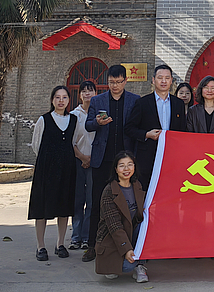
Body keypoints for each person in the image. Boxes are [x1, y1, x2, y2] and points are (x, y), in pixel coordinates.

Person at [83, 65, 141, 262]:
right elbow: (88, 125)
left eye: (118, 82)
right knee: (96, 203)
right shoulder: (97, 100)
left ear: (125, 81)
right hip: (102, 159)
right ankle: (92, 245)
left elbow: (136, 127)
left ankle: (129, 246)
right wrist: (97, 123)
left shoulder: (134, 100)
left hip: (125, 162)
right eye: (111, 82)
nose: (115, 86)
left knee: (128, 204)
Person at [28, 86, 78, 261]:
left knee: (64, 208)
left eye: (64, 97)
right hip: (46, 169)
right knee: (42, 208)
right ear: (52, 100)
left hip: (66, 169)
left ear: (69, 100)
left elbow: (74, 141)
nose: (61, 101)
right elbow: (36, 145)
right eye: (57, 97)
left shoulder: (73, 120)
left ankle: (60, 244)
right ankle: (40, 246)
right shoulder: (44, 120)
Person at [125, 64, 187, 190]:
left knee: (169, 190)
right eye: (160, 78)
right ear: (153, 80)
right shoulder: (142, 103)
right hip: (147, 157)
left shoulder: (178, 103)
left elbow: (183, 131)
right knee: (147, 191)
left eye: (167, 78)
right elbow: (129, 128)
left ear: (171, 81)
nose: (163, 81)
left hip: (172, 156)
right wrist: (146, 135)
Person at [94, 151, 148, 283]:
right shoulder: (109, 191)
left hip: (131, 234)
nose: (126, 169)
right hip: (112, 239)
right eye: (122, 165)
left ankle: (140, 265)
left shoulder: (137, 185)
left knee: (145, 225)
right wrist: (127, 249)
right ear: (116, 169)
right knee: (127, 266)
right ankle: (128, 262)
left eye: (130, 164)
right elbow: (115, 226)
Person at [69, 80, 97, 251]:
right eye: (84, 91)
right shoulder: (74, 115)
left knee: (91, 200)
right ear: (79, 95)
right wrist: (82, 157)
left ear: (95, 93)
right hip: (78, 161)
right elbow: (71, 141)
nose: (87, 94)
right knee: (77, 200)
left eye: (90, 90)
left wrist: (91, 159)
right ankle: (75, 237)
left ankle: (87, 236)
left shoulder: (99, 115)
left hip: (94, 162)